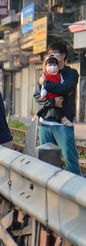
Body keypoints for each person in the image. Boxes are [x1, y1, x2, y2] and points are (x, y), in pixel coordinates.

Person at [33, 42, 81, 176]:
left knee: (71, 161)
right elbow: (37, 96)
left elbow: (66, 88)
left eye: (54, 54)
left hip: (63, 124)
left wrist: (46, 84)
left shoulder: (71, 73)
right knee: (46, 162)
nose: (50, 57)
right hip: (45, 123)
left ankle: (77, 193)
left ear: (63, 55)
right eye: (49, 54)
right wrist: (52, 102)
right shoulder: (44, 74)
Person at [36, 57, 72, 126]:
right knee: (46, 107)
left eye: (54, 65)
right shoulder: (44, 76)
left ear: (58, 67)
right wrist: (43, 94)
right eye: (49, 65)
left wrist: (66, 90)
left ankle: (63, 119)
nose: (52, 67)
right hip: (49, 96)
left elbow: (63, 85)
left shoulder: (59, 75)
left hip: (57, 95)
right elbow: (43, 87)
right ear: (46, 66)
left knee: (58, 107)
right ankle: (37, 116)